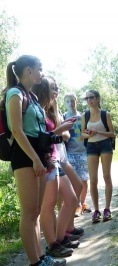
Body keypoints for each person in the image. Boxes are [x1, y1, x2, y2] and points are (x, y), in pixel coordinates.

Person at [0, 55, 66, 265]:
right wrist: (35, 160)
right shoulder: (15, 94)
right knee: (28, 213)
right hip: (25, 156)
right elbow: (17, 131)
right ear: (28, 70)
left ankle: (41, 258)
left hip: (37, 156)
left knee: (35, 212)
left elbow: (38, 132)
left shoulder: (33, 97)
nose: (42, 72)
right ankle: (35, 262)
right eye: (40, 68)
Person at [32, 76, 80, 258]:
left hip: (56, 159)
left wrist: (62, 129)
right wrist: (60, 130)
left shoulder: (49, 110)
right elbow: (40, 139)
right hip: (48, 160)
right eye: (53, 89)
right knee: (48, 206)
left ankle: (59, 239)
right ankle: (53, 244)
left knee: (72, 199)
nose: (56, 92)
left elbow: (56, 135)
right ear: (44, 90)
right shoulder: (38, 112)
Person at [81, 89, 115, 223]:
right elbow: (81, 135)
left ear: (98, 99)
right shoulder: (85, 115)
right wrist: (88, 134)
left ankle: (107, 209)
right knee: (93, 180)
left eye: (92, 97)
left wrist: (98, 131)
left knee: (106, 176)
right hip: (91, 146)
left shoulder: (105, 114)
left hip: (105, 145)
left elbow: (112, 133)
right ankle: (96, 211)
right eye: (87, 98)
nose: (89, 100)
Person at [63, 92, 92, 216]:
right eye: (68, 101)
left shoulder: (83, 116)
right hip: (69, 153)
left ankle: (83, 202)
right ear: (64, 103)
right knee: (72, 181)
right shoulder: (63, 117)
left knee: (84, 179)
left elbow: (87, 132)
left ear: (77, 102)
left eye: (72, 100)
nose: (71, 103)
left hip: (83, 152)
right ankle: (76, 205)